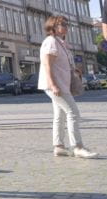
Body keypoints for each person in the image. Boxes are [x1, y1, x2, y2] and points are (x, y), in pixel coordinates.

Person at [38, 15, 97, 158]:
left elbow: (60, 64)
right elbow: (47, 65)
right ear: (53, 27)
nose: (65, 26)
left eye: (66, 24)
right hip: (56, 85)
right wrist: (53, 85)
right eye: (62, 24)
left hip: (61, 84)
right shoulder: (51, 41)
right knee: (73, 113)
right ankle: (77, 146)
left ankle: (59, 146)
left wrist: (73, 70)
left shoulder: (61, 43)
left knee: (60, 115)